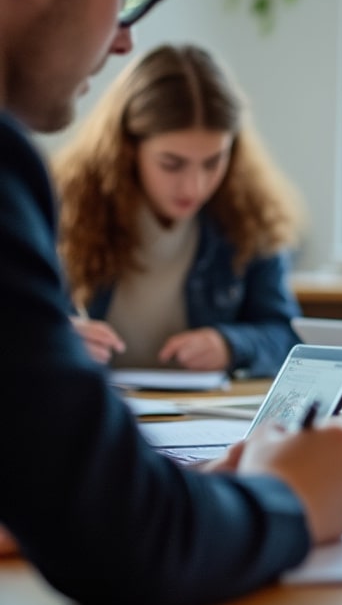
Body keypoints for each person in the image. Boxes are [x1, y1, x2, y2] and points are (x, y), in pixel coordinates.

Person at [0, 0, 342, 605]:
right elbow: (128, 542)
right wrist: (286, 497)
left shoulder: (248, 221)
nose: (121, 40)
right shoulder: (18, 177)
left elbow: (275, 327)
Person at [52, 42, 303, 377]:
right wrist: (54, 338)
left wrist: (231, 344)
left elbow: (286, 335)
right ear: (127, 148)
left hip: (199, 417)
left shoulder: (249, 214)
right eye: (172, 164)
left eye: (213, 162)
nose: (194, 187)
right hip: (96, 411)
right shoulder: (62, 208)